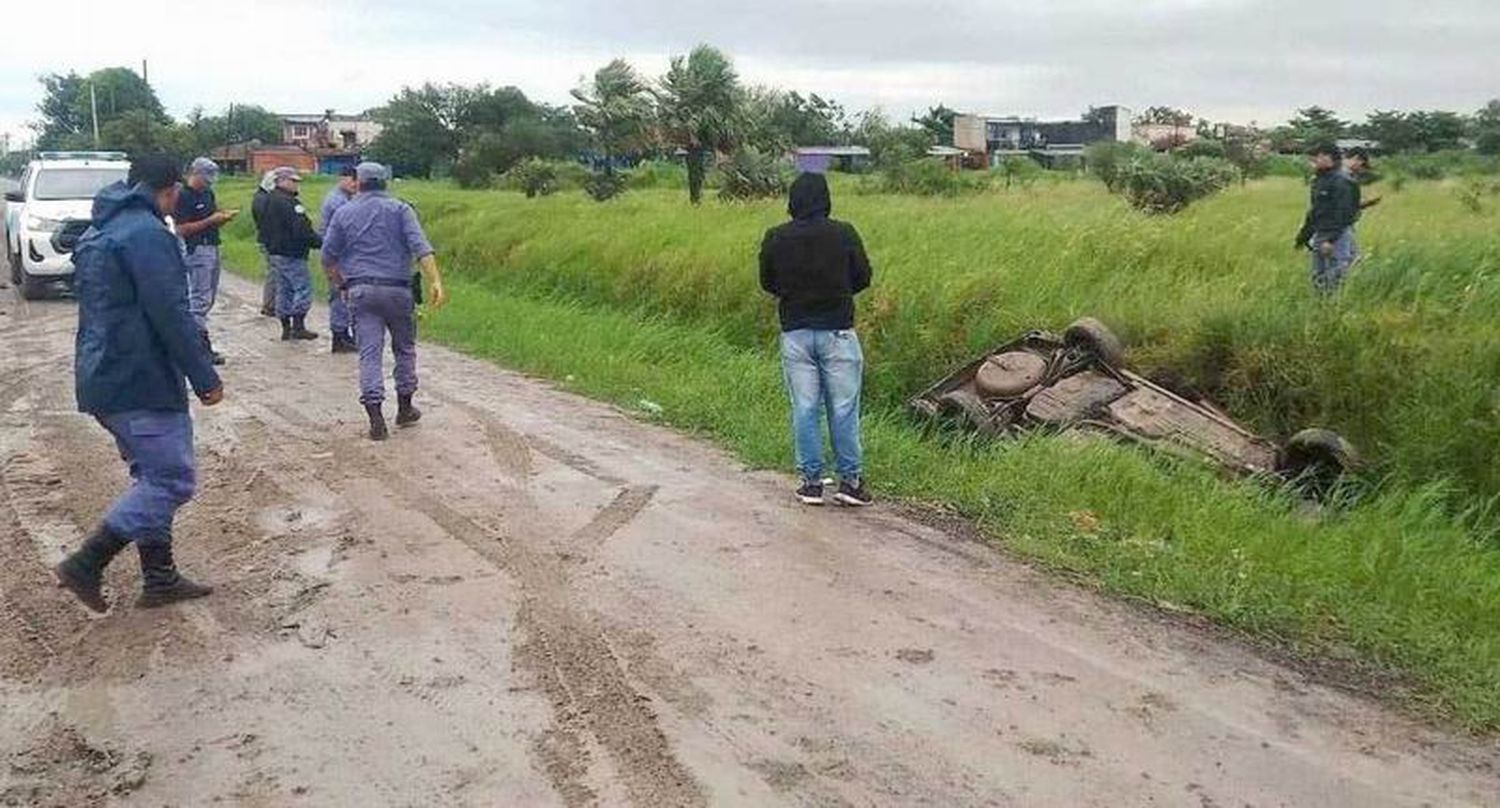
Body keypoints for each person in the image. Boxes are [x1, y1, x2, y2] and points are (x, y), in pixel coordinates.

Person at [56, 154, 222, 612]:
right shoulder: (148, 235)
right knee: (172, 480)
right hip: (140, 378)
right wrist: (205, 376)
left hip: (104, 375)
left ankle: (160, 577)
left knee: (152, 474)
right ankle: (87, 563)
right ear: (168, 190)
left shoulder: (100, 229)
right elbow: (171, 313)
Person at [759, 172, 873, 507]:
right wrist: (836, 292)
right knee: (843, 407)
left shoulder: (776, 237)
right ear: (825, 198)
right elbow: (862, 277)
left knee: (805, 407)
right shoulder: (844, 233)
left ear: (792, 200)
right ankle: (850, 482)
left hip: (795, 331)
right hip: (837, 330)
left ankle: (811, 483)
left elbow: (767, 281)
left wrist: (793, 295)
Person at [322, 162, 447, 441]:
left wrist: (341, 284)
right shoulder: (402, 210)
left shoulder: (343, 213)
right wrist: (435, 280)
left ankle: (376, 418)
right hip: (398, 290)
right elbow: (421, 248)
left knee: (369, 353)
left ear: (359, 182)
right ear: (385, 182)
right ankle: (404, 407)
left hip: (361, 291)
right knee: (404, 348)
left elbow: (327, 258)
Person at [173, 157, 236, 365]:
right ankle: (198, 349)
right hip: (195, 249)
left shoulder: (208, 193)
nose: (210, 182)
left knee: (208, 298)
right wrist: (211, 220)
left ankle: (197, 344)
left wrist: (222, 219)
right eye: (206, 178)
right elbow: (181, 229)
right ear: (195, 173)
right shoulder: (182, 196)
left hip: (212, 246)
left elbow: (210, 220)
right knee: (198, 300)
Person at [260, 166, 321, 340]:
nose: (296, 185)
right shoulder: (290, 203)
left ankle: (286, 328)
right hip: (292, 252)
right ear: (281, 181)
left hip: (274, 252)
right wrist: (319, 242)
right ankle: (298, 326)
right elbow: (301, 229)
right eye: (293, 181)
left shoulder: (268, 200)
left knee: (283, 290)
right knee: (302, 288)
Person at [1294, 142, 1358, 293]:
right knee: (1318, 277)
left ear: (1329, 158)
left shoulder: (1342, 181)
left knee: (1335, 276)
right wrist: (1304, 236)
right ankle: (1320, 309)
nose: (1314, 160)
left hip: (1337, 236)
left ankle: (1333, 310)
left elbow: (1344, 214)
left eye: (1318, 156)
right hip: (1320, 234)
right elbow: (1315, 211)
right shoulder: (1319, 180)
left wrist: (1330, 239)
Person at [320, 165, 359, 353]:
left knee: (343, 295)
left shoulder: (343, 198)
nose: (355, 184)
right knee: (341, 295)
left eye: (357, 181)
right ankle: (340, 335)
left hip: (339, 254)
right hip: (339, 255)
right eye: (352, 180)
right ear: (342, 178)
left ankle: (343, 335)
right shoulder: (338, 202)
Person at [1343, 146, 1382, 264]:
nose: (1361, 170)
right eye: (1362, 166)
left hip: (1343, 224)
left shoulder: (1345, 176)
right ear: (1356, 159)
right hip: (1339, 225)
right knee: (1352, 259)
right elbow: (1343, 205)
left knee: (1350, 258)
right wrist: (1368, 203)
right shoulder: (1343, 177)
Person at [251, 169, 279, 317]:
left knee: (274, 272)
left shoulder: (261, 197)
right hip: (268, 240)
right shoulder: (263, 199)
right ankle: (269, 305)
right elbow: (268, 221)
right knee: (274, 273)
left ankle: (272, 303)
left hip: (266, 238)